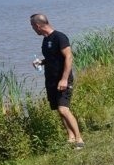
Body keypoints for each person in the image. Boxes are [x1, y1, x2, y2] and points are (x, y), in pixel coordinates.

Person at [29, 14, 84, 149]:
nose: (33, 30)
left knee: (63, 109)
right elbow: (53, 58)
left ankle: (79, 140)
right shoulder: (45, 39)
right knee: (59, 111)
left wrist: (64, 79)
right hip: (51, 80)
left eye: (32, 27)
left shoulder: (60, 37)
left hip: (63, 80)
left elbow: (69, 57)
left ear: (37, 26)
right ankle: (70, 137)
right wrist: (41, 62)